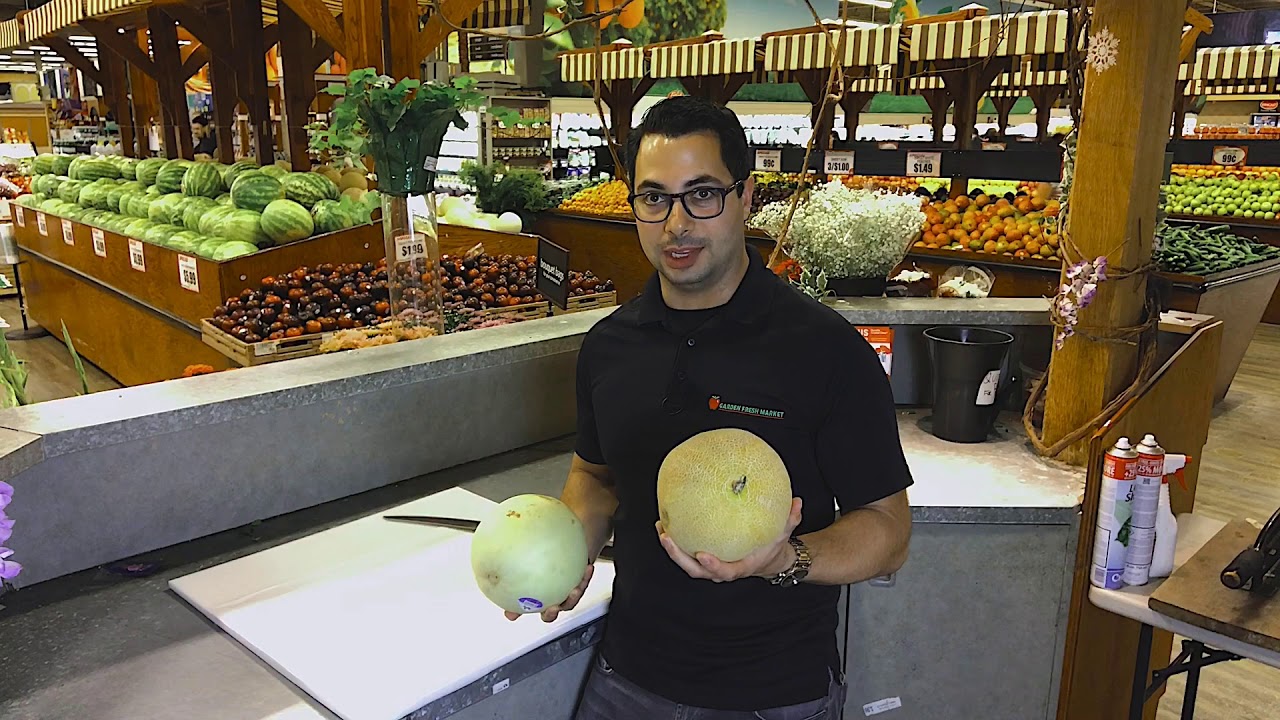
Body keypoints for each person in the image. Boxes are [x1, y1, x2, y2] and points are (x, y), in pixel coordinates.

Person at [506, 96, 914, 719]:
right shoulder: (609, 346)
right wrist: (566, 555)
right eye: (654, 197)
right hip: (627, 679)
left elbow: (887, 531)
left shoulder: (825, 349)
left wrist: (786, 559)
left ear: (745, 197)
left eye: (702, 194)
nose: (676, 224)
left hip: (775, 695)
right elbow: (596, 475)